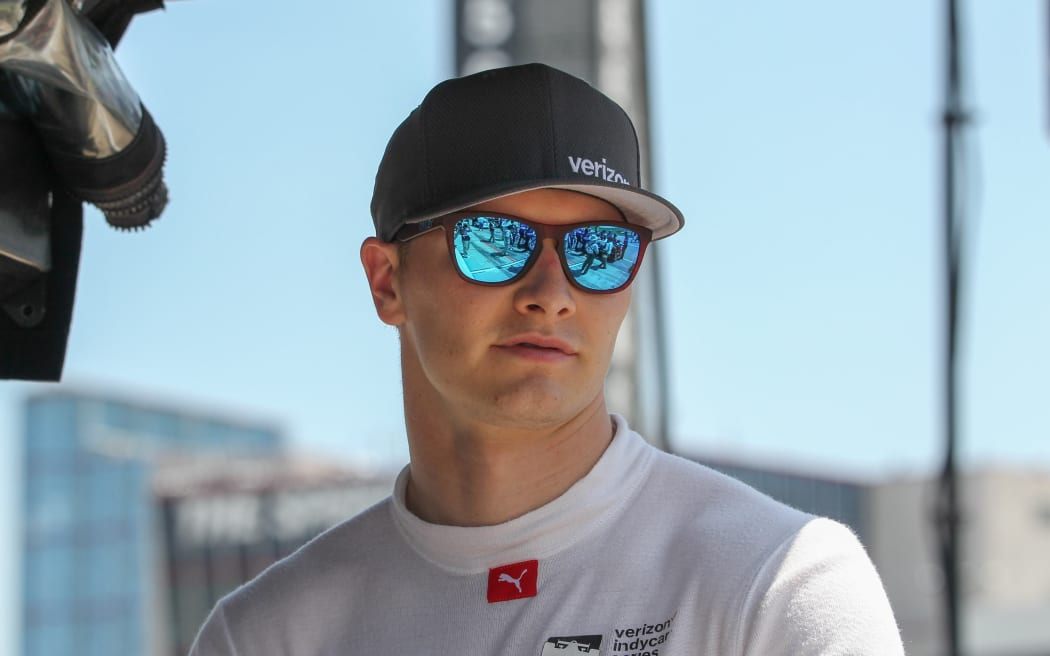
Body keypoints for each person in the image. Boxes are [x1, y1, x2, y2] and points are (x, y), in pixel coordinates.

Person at [190, 63, 904, 655]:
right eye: (496, 241)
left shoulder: (778, 585)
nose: (552, 294)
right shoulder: (265, 637)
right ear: (387, 281)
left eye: (600, 250)